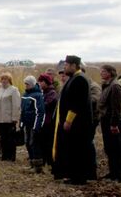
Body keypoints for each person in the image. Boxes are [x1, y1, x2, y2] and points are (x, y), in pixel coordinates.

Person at [52, 55, 95, 185]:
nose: (64, 67)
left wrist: (69, 120)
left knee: (78, 150)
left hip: (78, 124)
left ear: (73, 65)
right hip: (74, 123)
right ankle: (73, 174)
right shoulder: (74, 78)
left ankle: (79, 177)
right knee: (72, 149)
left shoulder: (80, 79)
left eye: (66, 65)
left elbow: (77, 103)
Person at [98, 64, 121, 182]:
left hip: (111, 121)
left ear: (110, 72)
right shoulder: (107, 85)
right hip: (105, 119)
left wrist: (114, 124)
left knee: (115, 148)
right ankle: (112, 172)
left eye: (103, 71)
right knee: (109, 148)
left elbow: (116, 107)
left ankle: (118, 175)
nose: (101, 73)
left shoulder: (115, 86)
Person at [0, 73, 21, 162]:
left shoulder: (13, 90)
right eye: (2, 79)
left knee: (10, 138)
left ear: (9, 80)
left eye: (6, 79)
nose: (4, 81)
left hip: (9, 118)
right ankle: (4, 155)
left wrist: (15, 118)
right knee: (3, 138)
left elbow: (16, 105)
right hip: (0, 118)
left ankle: (11, 156)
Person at [20, 75, 45, 173]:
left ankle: (38, 166)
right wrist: (21, 124)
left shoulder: (38, 96)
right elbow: (22, 111)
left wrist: (37, 126)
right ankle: (31, 163)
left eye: (27, 84)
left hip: (34, 124)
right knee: (27, 143)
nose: (26, 86)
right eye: (25, 84)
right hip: (27, 124)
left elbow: (40, 112)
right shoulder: (25, 95)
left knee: (34, 144)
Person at [37, 72, 57, 168]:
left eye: (41, 82)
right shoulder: (43, 93)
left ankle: (50, 162)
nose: (40, 84)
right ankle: (43, 160)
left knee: (48, 143)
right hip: (42, 121)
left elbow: (46, 105)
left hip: (48, 122)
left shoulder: (52, 93)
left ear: (46, 82)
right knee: (41, 142)